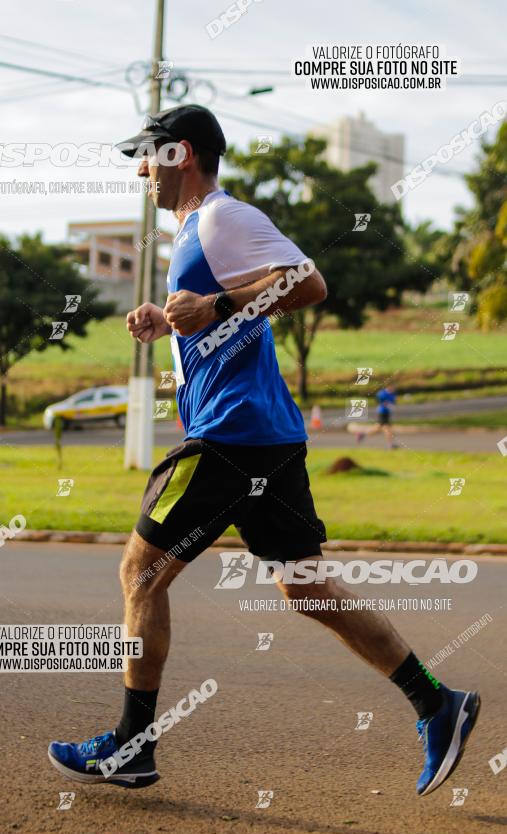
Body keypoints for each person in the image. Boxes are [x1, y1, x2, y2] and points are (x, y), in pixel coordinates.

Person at [48, 105, 480, 796]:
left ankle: (130, 746)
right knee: (303, 584)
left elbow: (307, 283)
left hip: (230, 435)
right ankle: (436, 704)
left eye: (145, 154)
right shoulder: (194, 234)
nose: (137, 169)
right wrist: (172, 320)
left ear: (179, 154)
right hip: (265, 435)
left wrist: (215, 309)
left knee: (140, 573)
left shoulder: (222, 217)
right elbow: (236, 312)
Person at [356, 384, 398, 448]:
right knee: (387, 428)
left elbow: (393, 402)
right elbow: (378, 401)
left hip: (387, 412)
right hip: (382, 412)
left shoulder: (392, 394)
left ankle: (362, 434)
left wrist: (391, 404)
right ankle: (391, 445)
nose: (393, 389)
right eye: (392, 387)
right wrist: (385, 403)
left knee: (378, 428)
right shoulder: (382, 393)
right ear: (388, 386)